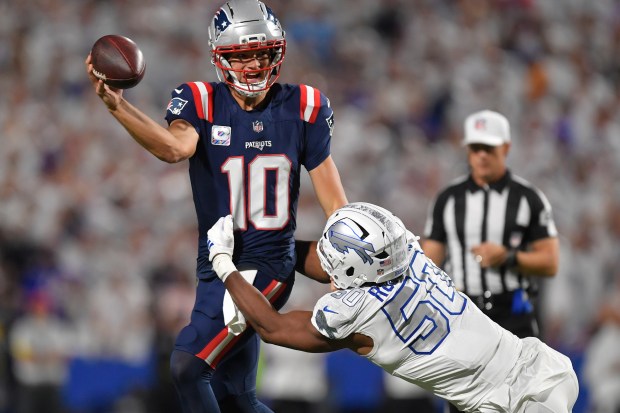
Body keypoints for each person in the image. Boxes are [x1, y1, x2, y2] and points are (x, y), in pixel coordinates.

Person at [84, 0, 348, 412]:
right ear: (220, 58)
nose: (255, 65)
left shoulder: (305, 105)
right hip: (216, 264)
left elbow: (335, 201)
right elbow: (175, 149)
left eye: (263, 53)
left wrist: (341, 265)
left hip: (267, 264)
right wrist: (118, 105)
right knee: (236, 400)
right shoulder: (201, 100)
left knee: (188, 367)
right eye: (243, 55)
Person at [206, 202, 579, 413]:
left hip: (512, 404)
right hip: (544, 366)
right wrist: (251, 245)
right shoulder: (409, 254)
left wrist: (224, 260)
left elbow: (273, 327)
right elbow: (325, 263)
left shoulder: (357, 312)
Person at [423, 109, 559, 338]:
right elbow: (429, 264)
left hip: (512, 313)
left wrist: (508, 258)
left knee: (519, 373)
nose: (482, 156)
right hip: (461, 311)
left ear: (506, 148)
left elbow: (550, 262)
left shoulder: (528, 198)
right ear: (467, 150)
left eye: (489, 148)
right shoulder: (447, 199)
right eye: (476, 149)